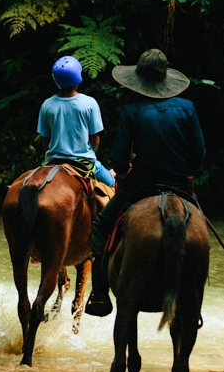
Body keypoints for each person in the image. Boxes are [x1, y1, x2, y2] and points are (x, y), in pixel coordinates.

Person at [84, 48, 206, 317]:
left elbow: (118, 160)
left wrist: (126, 168)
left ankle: (101, 295)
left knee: (102, 226)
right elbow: (199, 156)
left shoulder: (131, 110)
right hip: (179, 187)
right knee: (202, 233)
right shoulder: (187, 108)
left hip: (140, 186)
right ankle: (194, 307)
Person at [37, 56, 114, 188]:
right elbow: (95, 139)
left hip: (54, 162)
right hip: (84, 162)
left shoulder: (47, 105)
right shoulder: (89, 103)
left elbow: (45, 140)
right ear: (78, 79)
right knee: (112, 183)